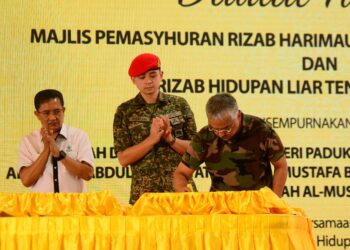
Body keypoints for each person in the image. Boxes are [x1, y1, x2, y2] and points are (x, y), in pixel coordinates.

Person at [113, 53, 197, 204]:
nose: (148, 81)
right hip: (145, 196)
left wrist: (171, 140)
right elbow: (123, 159)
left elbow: (196, 150)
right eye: (142, 77)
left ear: (161, 75)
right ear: (133, 80)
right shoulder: (125, 111)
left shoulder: (179, 104)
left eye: (153, 75)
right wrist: (151, 140)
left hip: (180, 192)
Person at [174, 93, 288, 197]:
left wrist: (275, 199)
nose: (221, 134)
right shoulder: (205, 136)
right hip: (221, 206)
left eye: (227, 128)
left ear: (238, 115)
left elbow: (281, 165)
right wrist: (182, 188)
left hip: (257, 204)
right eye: (214, 129)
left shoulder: (260, 130)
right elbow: (181, 173)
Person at [18, 89, 94, 192]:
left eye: (57, 112)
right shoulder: (28, 141)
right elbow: (26, 181)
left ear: (64, 110)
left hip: (73, 207)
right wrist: (46, 150)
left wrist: (59, 154)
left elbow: (88, 174)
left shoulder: (79, 136)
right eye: (46, 113)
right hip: (41, 207)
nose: (53, 117)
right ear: (37, 114)